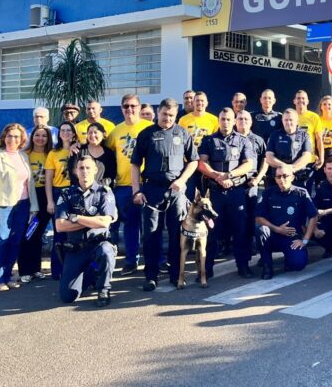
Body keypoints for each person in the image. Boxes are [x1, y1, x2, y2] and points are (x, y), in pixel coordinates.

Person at [132, 98, 200, 290]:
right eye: (164, 114)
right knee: (151, 235)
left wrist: (182, 180)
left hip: (175, 191)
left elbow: (193, 161)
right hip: (151, 190)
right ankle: (151, 276)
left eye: (171, 115)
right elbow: (135, 164)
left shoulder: (183, 133)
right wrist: (136, 191)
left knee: (176, 234)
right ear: (157, 112)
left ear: (176, 115)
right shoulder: (146, 134)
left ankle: (176, 274)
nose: (167, 119)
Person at [197, 107, 254, 280]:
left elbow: (248, 164)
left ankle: (243, 266)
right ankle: (206, 269)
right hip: (215, 193)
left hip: (236, 191)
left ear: (234, 120)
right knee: (211, 232)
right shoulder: (209, 140)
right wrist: (217, 176)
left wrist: (229, 176)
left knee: (240, 231)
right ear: (218, 120)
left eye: (229, 119)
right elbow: (201, 164)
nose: (226, 122)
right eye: (223, 119)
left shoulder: (243, 140)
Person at [54, 155, 117, 307]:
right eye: (81, 168)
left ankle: (103, 289)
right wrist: (92, 220)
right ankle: (91, 275)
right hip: (76, 248)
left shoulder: (104, 192)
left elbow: (105, 222)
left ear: (95, 170)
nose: (84, 171)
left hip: (97, 244)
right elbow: (60, 226)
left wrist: (75, 218)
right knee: (68, 296)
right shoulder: (66, 194)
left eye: (88, 168)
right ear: (76, 171)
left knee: (106, 250)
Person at [0, 123, 38, 291]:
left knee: (15, 242)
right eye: (9, 135)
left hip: (23, 205)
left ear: (22, 139)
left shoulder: (24, 157)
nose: (12, 139)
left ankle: (8, 275)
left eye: (16, 136)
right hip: (2, 206)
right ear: (4, 137)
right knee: (0, 241)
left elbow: (30, 184)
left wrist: (33, 206)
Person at [104, 93, 153, 275]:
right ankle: (131, 261)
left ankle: (156, 261)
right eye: (126, 106)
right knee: (131, 226)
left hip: (149, 184)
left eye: (133, 106)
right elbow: (101, 153)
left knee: (152, 226)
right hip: (124, 186)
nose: (129, 109)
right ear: (121, 108)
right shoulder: (115, 132)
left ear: (139, 108)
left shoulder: (151, 128)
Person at [255, 164, 318, 279]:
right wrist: (277, 229)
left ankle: (291, 259)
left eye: (285, 176)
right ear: (275, 179)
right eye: (278, 177)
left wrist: (305, 240)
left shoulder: (301, 193)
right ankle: (267, 266)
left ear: (292, 177)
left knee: (298, 264)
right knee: (260, 230)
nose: (282, 179)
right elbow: (258, 217)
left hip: (292, 238)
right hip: (273, 236)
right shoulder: (268, 193)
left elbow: (314, 216)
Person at [18, 125, 52, 283]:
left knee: (38, 233)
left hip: (45, 195)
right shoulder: (25, 154)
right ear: (32, 137)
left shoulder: (50, 154)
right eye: (37, 135)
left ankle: (36, 268)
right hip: (30, 195)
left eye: (44, 136)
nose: (40, 138)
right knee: (28, 232)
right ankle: (25, 269)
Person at [45, 121, 78, 279]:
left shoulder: (79, 150)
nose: (65, 133)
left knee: (75, 232)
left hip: (75, 192)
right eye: (63, 130)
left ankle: (74, 268)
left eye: (69, 130)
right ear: (59, 134)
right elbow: (48, 180)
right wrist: (50, 201)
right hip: (59, 192)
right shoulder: (53, 153)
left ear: (73, 133)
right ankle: (57, 270)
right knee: (59, 233)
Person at [236, 110, 270, 248]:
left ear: (251, 122)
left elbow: (265, 161)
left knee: (251, 214)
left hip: (251, 183)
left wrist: (258, 178)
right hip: (234, 183)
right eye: (240, 119)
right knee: (236, 215)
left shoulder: (258, 140)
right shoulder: (230, 138)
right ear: (235, 121)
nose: (243, 121)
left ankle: (251, 243)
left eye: (246, 119)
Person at [266, 109, 314, 189]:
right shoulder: (274, 135)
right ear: (282, 121)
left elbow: (307, 156)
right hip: (278, 180)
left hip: (298, 179)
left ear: (297, 121)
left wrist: (292, 168)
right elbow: (269, 157)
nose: (288, 122)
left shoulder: (304, 135)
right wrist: (285, 168)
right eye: (286, 120)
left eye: (291, 120)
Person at [68, 122, 116, 189]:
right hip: (80, 191)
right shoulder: (78, 150)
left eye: (95, 132)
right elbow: (73, 173)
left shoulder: (109, 154)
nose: (92, 135)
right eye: (90, 133)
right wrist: (85, 186)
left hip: (101, 191)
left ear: (103, 134)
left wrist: (94, 187)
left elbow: (111, 175)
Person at [293, 90, 324, 173]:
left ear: (307, 101)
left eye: (303, 98)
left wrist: (321, 158)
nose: (301, 100)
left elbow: (319, 139)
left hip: (310, 160)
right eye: (298, 98)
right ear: (294, 101)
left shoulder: (314, 117)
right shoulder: (290, 116)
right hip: (293, 159)